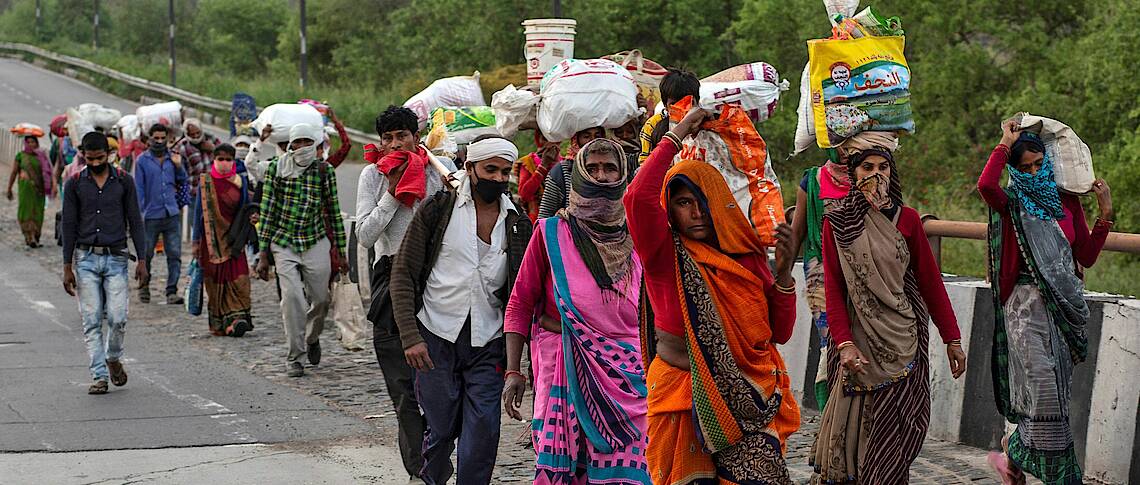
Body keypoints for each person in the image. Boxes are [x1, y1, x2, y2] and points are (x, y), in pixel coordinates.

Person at [625, 108, 801, 484]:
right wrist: (679, 132)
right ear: (670, 209)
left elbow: (778, 334)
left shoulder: (746, 258)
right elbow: (638, 198)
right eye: (684, 203)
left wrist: (783, 273)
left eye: (703, 201)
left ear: (720, 202)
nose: (696, 212)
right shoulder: (663, 254)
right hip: (681, 395)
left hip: (748, 397)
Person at [810, 145, 967, 483]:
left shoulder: (907, 219)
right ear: (853, 175)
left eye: (883, 167)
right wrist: (845, 344)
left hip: (903, 341)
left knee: (901, 429)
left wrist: (952, 338)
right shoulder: (837, 223)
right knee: (858, 436)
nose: (876, 175)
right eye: (867, 168)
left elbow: (930, 282)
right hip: (859, 342)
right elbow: (835, 289)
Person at [503, 138, 651, 484]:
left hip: (628, 369)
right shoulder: (551, 232)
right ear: (580, 175)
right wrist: (513, 371)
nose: (601, 176)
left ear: (622, 175)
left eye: (610, 168)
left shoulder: (640, 234)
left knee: (632, 462)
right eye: (594, 168)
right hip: (561, 361)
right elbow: (520, 302)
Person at [389, 136, 532, 485]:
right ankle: (433, 475)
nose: (498, 178)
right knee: (441, 426)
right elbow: (404, 273)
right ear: (470, 169)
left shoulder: (517, 223)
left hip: (489, 341)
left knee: (483, 428)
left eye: (504, 172)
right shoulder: (437, 210)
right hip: (435, 336)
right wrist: (410, 337)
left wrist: (518, 359)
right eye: (490, 170)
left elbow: (523, 292)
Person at [980, 122, 1113, 485]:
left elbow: (1084, 255)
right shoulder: (1011, 201)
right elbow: (985, 185)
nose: (1034, 172)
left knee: (1054, 394)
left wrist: (1105, 213)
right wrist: (1005, 143)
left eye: (1040, 164)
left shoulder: (1066, 202)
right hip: (1024, 309)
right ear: (1015, 169)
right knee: (1041, 387)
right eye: (1025, 167)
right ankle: (1056, 472)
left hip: (1062, 313)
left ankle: (1013, 452)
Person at [355, 105, 451, 482]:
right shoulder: (371, 176)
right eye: (388, 138)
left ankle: (439, 455)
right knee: (403, 386)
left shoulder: (438, 169)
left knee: (440, 382)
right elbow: (365, 235)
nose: (395, 144)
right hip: (391, 276)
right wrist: (393, 195)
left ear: (416, 137)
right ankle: (423, 472)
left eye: (402, 137)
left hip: (437, 278)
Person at [789, 131, 899, 410]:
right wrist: (779, 280)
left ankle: (864, 419)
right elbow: (797, 233)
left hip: (868, 277)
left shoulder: (872, 176)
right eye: (840, 144)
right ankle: (832, 415)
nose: (846, 150)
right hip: (823, 279)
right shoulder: (813, 181)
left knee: (869, 346)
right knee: (835, 347)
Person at [255, 123, 348, 378]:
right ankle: (295, 356)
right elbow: (268, 210)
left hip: (315, 239)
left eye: (309, 142)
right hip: (283, 242)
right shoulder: (277, 169)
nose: (303, 147)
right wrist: (263, 254)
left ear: (317, 144)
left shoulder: (323, 171)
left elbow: (333, 210)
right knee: (293, 298)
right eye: (299, 142)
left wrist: (341, 250)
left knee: (321, 299)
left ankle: (312, 337)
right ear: (290, 145)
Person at [59, 132, 148, 395]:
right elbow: (68, 224)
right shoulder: (74, 184)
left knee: (118, 318)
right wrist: (67, 266)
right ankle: (99, 375)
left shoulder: (123, 181)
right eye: (90, 158)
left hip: (117, 257)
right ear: (83, 155)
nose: (95, 163)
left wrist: (142, 259)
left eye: (100, 158)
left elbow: (135, 220)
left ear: (108, 155)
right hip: (85, 259)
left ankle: (113, 357)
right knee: (92, 319)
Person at [192, 144, 256, 337]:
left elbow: (246, 208)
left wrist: (253, 217)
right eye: (220, 159)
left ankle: (237, 319)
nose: (224, 164)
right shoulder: (206, 182)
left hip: (234, 240)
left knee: (239, 278)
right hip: (211, 242)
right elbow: (198, 214)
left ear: (234, 161)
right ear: (214, 160)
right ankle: (221, 323)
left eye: (229, 160)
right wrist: (195, 241)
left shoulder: (240, 181)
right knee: (216, 281)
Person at [134, 123, 189, 305]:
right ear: (149, 138)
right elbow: (139, 189)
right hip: (150, 215)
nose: (159, 141)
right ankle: (144, 287)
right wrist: (139, 214)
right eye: (155, 138)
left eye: (162, 138)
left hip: (171, 212)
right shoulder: (142, 161)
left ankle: (171, 291)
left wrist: (179, 167)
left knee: (174, 254)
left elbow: (183, 181)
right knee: (147, 254)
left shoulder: (173, 159)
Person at [533, 126, 606, 218]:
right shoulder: (562, 171)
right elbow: (545, 215)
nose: (592, 141)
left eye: (597, 136)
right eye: (586, 137)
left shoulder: (612, 168)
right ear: (576, 140)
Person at [638, 68, 700, 164]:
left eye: (687, 102)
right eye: (675, 104)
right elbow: (645, 164)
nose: (682, 108)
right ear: (665, 105)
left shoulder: (708, 124)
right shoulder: (653, 125)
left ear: (697, 101)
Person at [7, 135, 54, 248]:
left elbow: (48, 172)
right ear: (25, 143)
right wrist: (9, 188)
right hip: (25, 190)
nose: (31, 144)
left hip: (39, 190)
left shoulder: (41, 156)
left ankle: (36, 236)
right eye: (29, 142)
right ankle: (29, 236)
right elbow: (14, 172)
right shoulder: (21, 156)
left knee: (38, 212)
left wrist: (52, 186)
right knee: (25, 211)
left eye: (33, 142)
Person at [511, 131, 560, 222]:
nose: (550, 144)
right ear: (538, 140)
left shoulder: (565, 163)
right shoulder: (528, 162)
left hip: (560, 219)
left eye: (554, 139)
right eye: (545, 139)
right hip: (535, 220)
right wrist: (543, 166)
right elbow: (524, 194)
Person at [177, 118, 221, 195]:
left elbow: (224, 156)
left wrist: (213, 149)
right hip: (193, 190)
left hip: (211, 190)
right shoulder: (183, 147)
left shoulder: (211, 139)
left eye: (198, 133)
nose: (196, 136)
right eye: (192, 134)